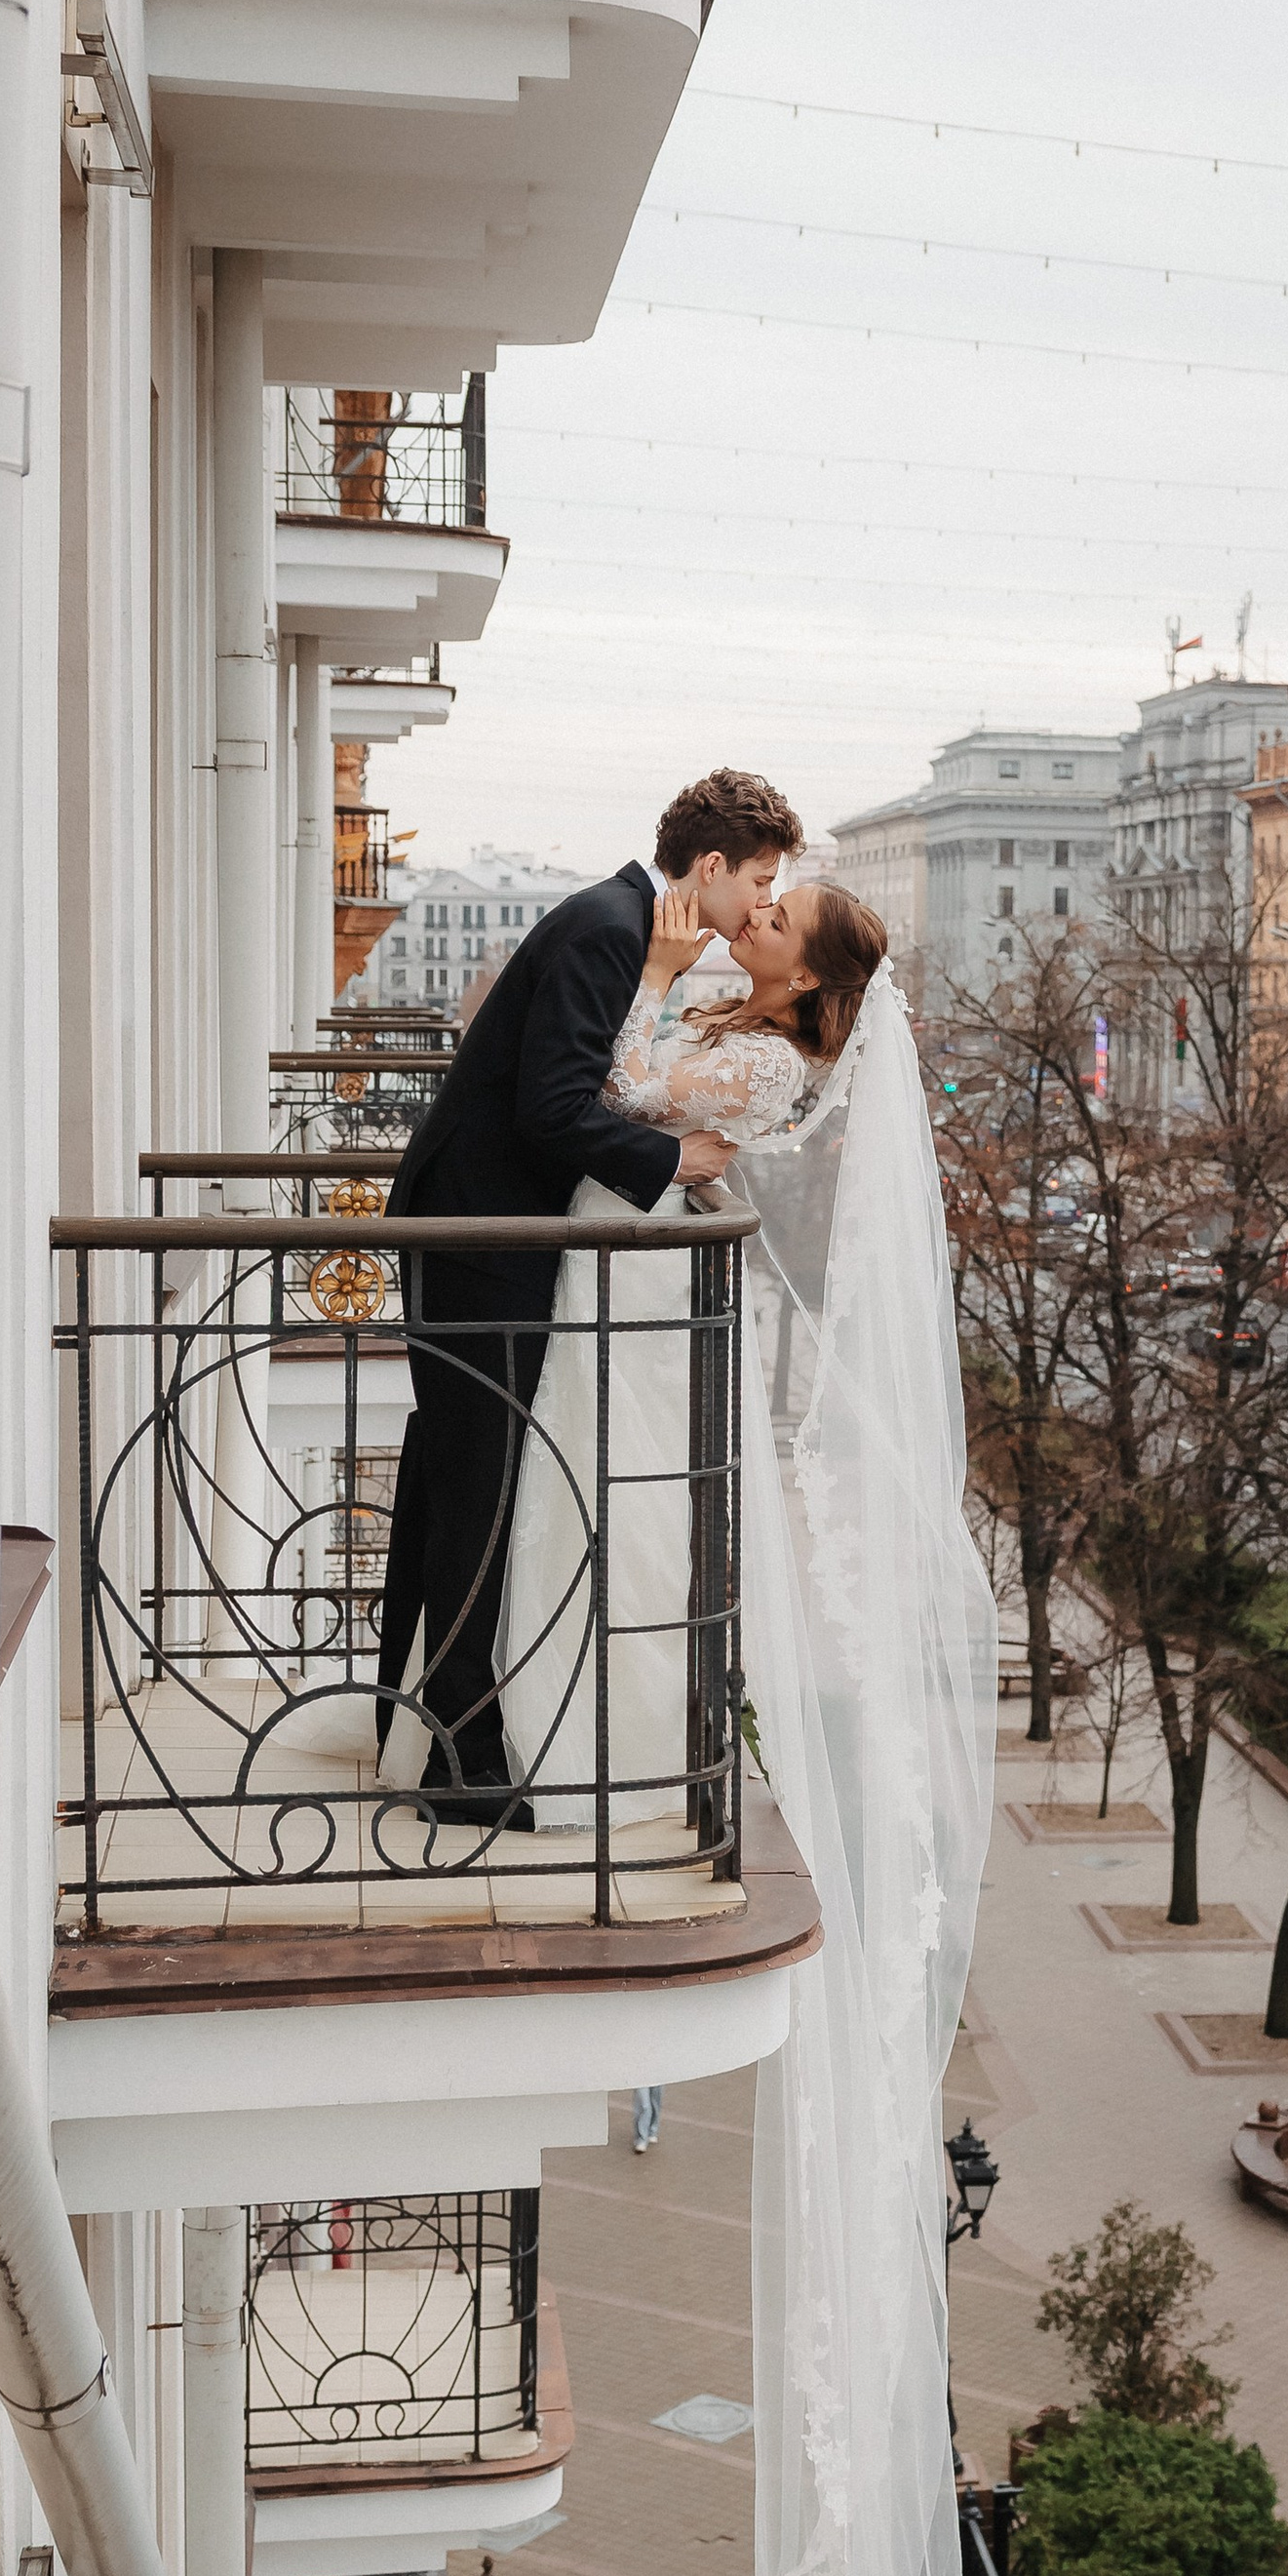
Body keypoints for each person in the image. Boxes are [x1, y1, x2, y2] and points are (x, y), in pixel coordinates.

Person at [499, 873, 1016, 2576]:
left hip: (722, 1410)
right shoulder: (773, 1045)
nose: (755, 918)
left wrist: (656, 1009)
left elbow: (641, 1112)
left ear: (817, 972)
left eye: (778, 912)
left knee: (653, 1603)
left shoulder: (777, 1076)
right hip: (702, 1382)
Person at [372, 772, 801, 1824]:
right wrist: (670, 1159)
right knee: (474, 1490)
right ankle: (460, 1763)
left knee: (460, 1478)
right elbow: (554, 1107)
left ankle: (415, 1717)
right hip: (482, 1234)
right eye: (759, 880)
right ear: (711, 866)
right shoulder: (611, 928)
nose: (760, 902)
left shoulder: (621, 924)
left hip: (492, 1229)